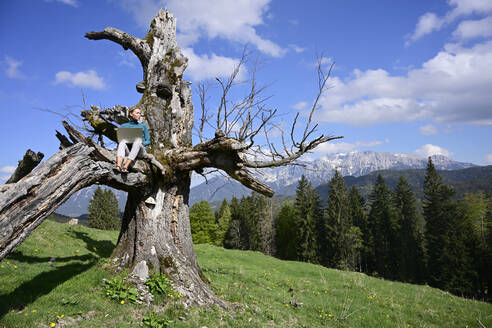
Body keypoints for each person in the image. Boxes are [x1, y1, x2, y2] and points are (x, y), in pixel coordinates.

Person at [115, 107, 150, 173]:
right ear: (131, 114)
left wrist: (142, 143)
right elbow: (120, 139)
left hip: (140, 152)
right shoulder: (123, 126)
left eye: (140, 113)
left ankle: (125, 167)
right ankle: (118, 166)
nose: (139, 115)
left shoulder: (143, 126)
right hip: (129, 151)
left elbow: (148, 140)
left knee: (137, 141)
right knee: (122, 142)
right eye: (137, 113)